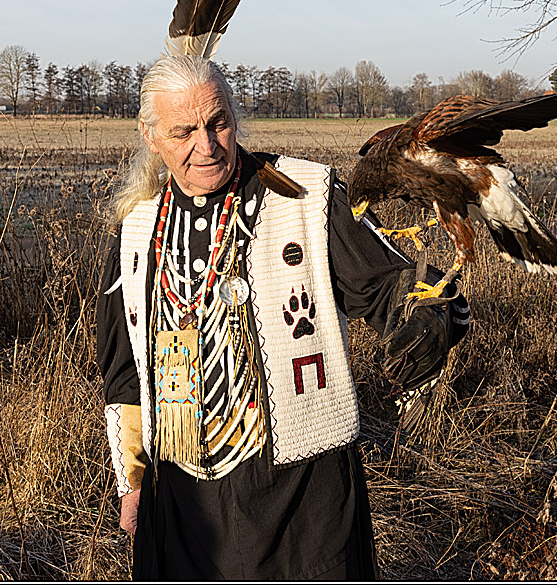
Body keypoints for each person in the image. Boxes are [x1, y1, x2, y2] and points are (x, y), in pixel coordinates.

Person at [96, 54, 469, 580]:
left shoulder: (304, 197)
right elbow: (125, 375)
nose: (207, 146)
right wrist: (132, 482)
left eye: (218, 122)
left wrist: (428, 317)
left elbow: (394, 284)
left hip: (304, 501)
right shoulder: (137, 231)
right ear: (149, 135)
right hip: (183, 500)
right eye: (183, 132)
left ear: (234, 115)